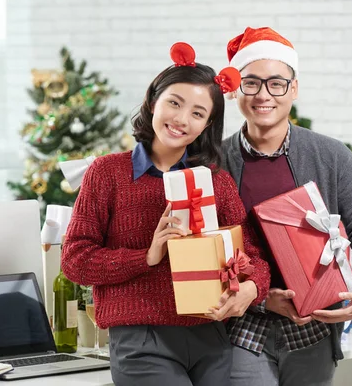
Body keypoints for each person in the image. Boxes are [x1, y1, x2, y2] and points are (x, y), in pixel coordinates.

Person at [61, 42, 271, 386]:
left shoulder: (216, 181)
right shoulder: (107, 173)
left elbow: (255, 259)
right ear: (152, 101)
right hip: (142, 339)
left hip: (211, 338)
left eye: (198, 113)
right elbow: (75, 261)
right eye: (174, 103)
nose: (181, 119)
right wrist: (147, 256)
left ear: (207, 126)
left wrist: (250, 289)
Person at [220, 27, 352, 386]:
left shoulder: (332, 156)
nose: (263, 95)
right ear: (236, 90)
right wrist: (263, 299)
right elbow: (206, 250)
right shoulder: (215, 162)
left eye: (276, 84)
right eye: (251, 83)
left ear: (293, 89)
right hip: (242, 331)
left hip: (315, 330)